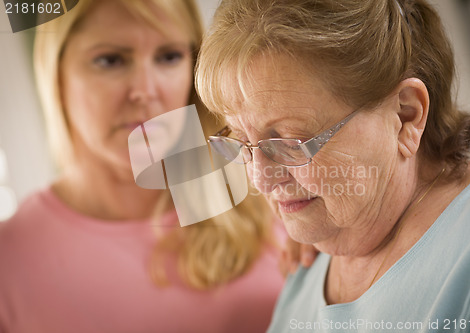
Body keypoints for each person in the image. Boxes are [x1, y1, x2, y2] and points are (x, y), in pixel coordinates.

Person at [195, 0, 470, 332]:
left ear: (405, 115)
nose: (261, 181)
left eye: (290, 143)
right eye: (241, 141)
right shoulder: (308, 264)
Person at [0, 0, 286, 332]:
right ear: (57, 76)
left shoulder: (273, 190)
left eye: (169, 56)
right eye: (110, 60)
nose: (145, 91)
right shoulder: (10, 262)